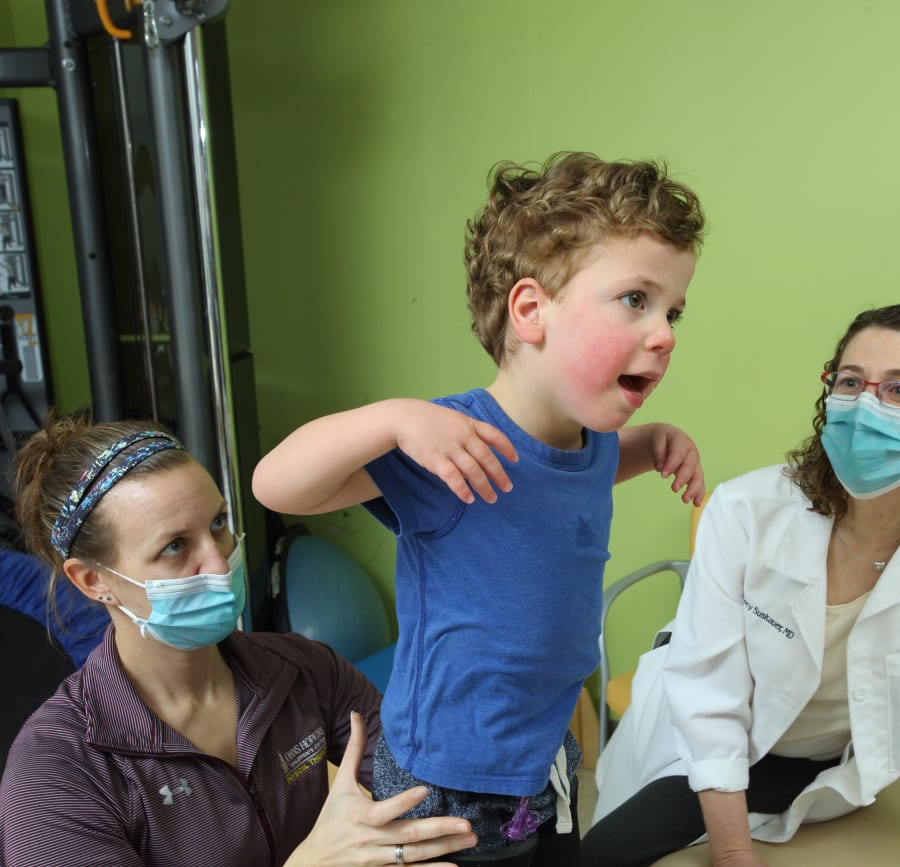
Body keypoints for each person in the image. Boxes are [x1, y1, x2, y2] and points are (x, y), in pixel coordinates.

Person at [252, 152, 708, 865]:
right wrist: (394, 419)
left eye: (673, 310)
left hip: (543, 755)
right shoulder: (447, 442)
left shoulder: (591, 442)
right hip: (448, 782)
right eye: (636, 300)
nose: (666, 333)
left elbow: (561, 482)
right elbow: (276, 485)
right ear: (530, 311)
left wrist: (649, 445)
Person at [585, 303, 900, 867]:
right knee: (604, 854)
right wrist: (734, 853)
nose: (866, 406)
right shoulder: (746, 511)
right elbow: (711, 695)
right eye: (850, 382)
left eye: (899, 391)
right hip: (693, 726)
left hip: (816, 761)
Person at [0, 415, 478, 867]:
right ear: (93, 581)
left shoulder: (305, 672)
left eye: (218, 524)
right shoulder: (55, 774)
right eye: (175, 547)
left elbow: (433, 798)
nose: (220, 563)